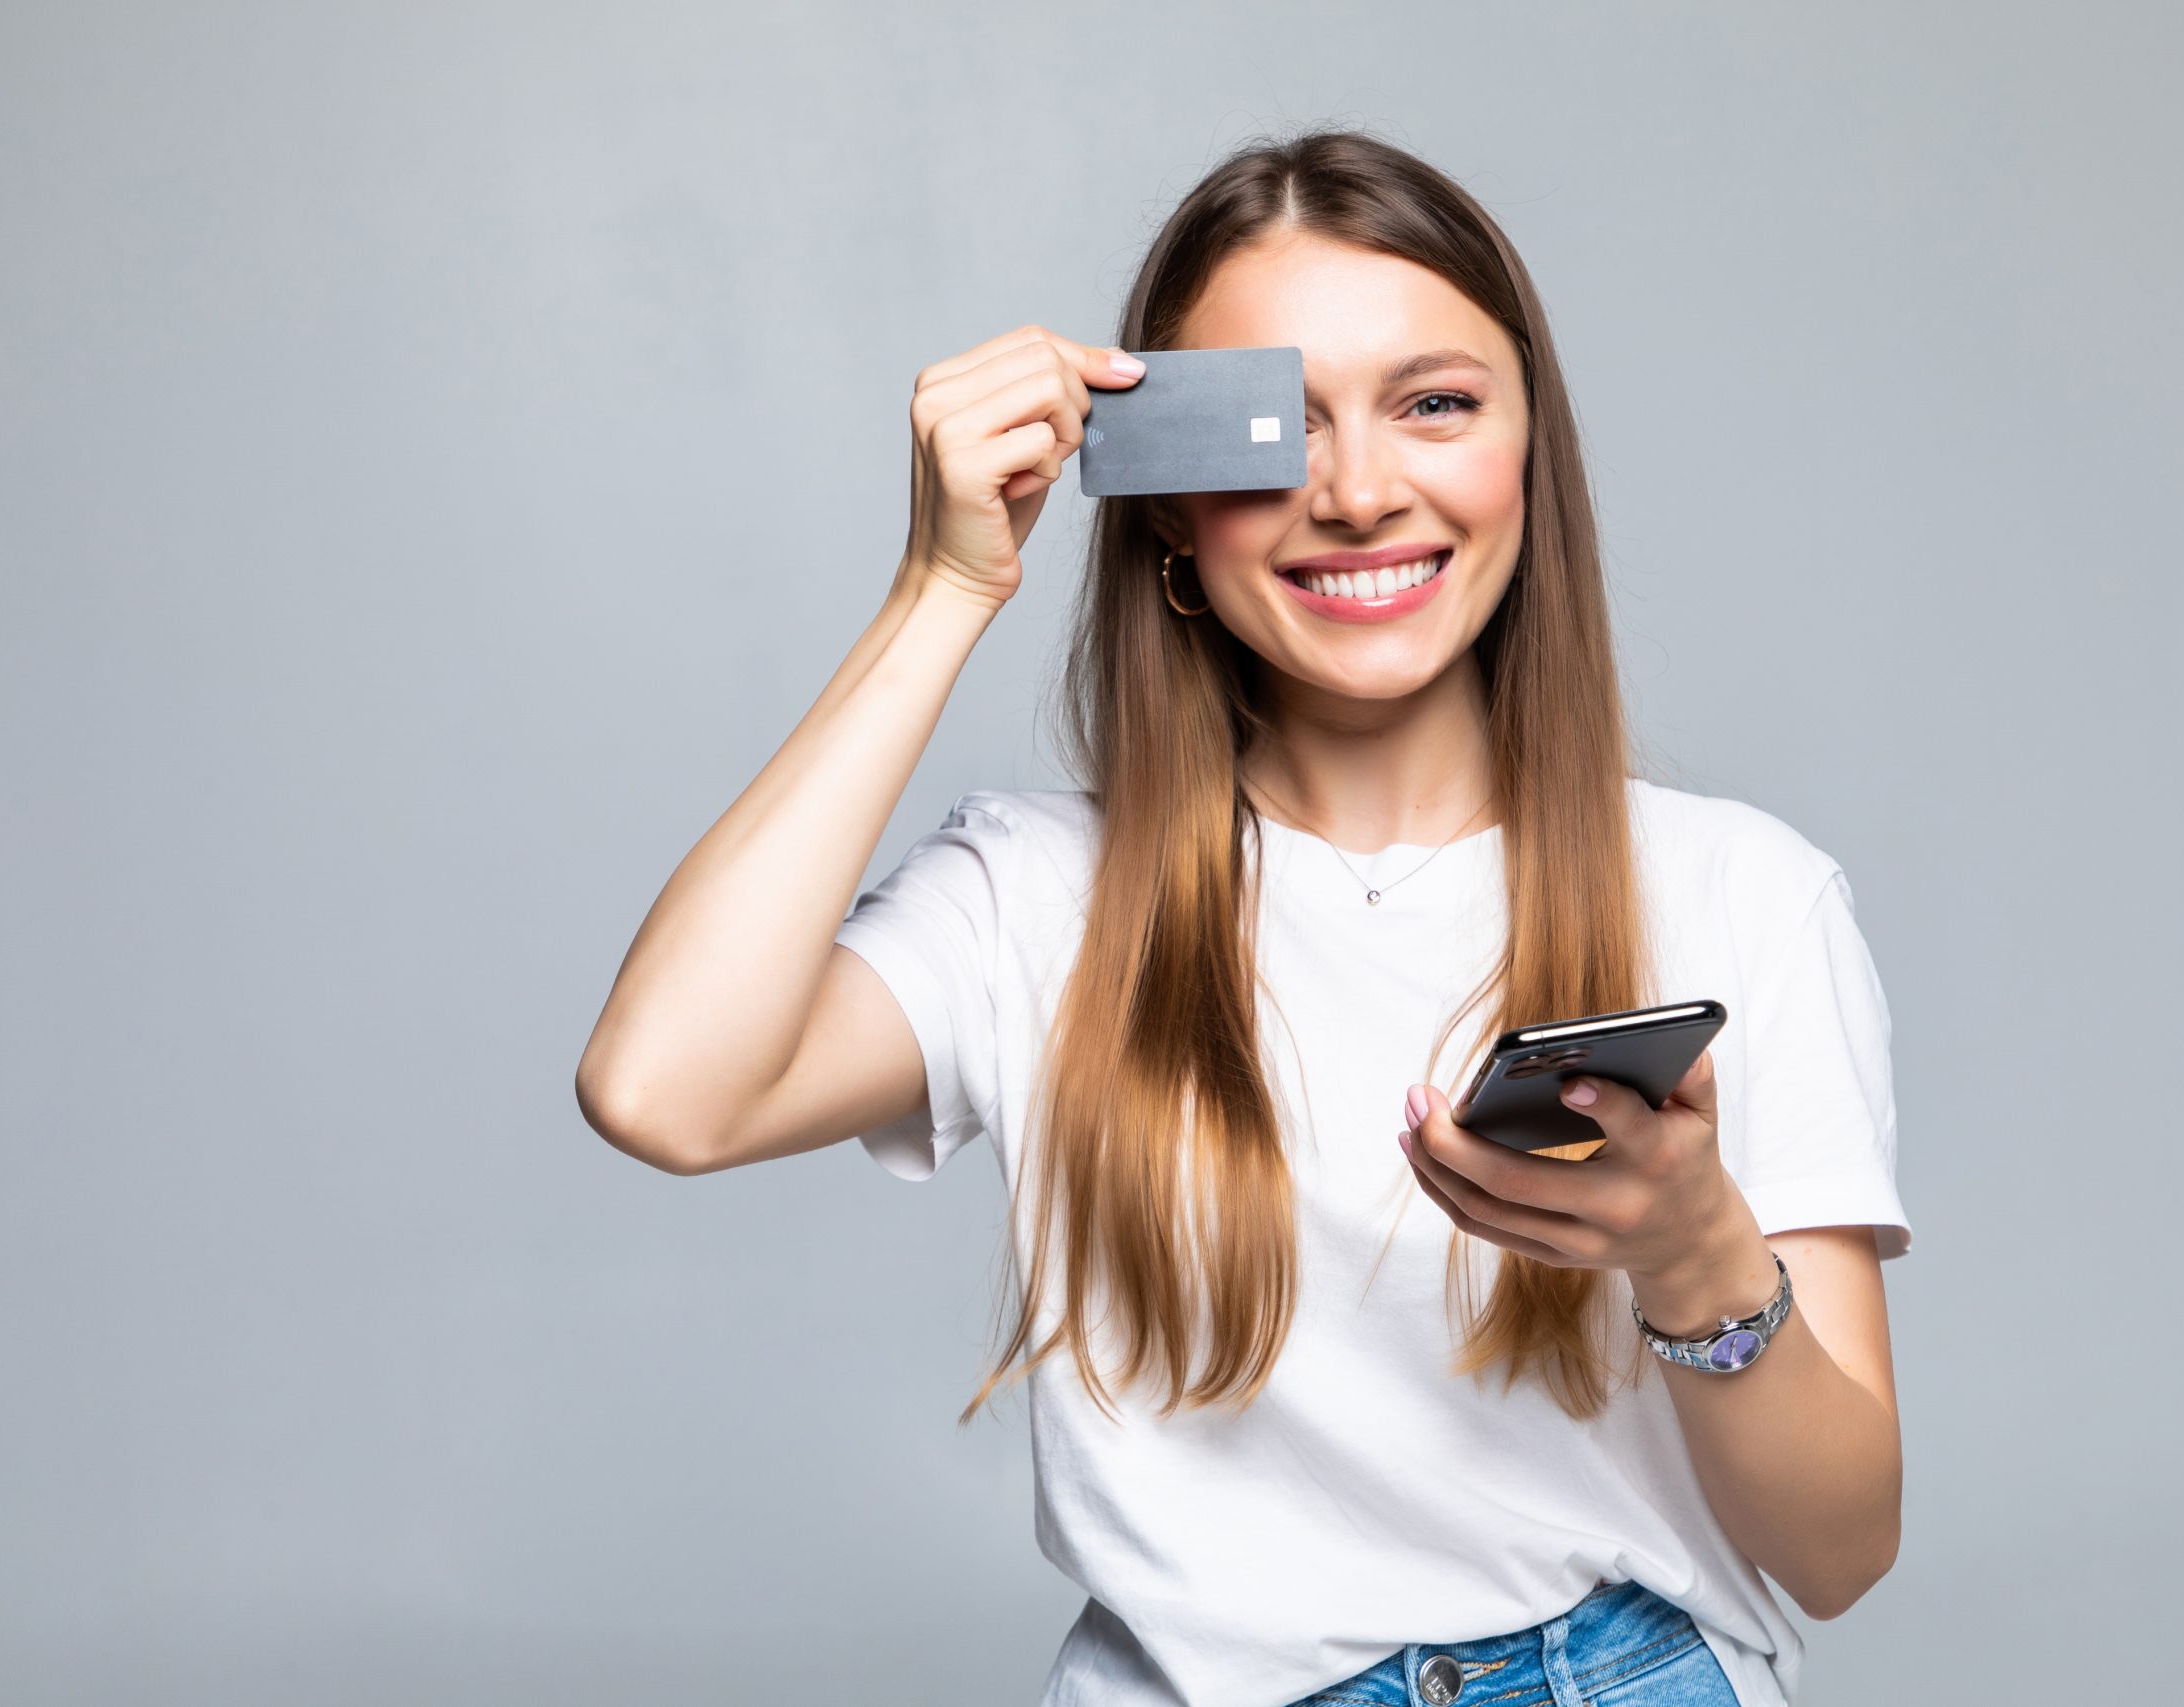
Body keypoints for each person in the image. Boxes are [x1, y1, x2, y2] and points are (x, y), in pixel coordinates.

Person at [575, 128, 1910, 1707]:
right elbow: (662, 1090)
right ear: (1161, 506)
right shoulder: (1033, 897)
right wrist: (941, 587)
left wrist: (1698, 1258)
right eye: (1278, 427)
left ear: (1527, 459)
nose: (1355, 491)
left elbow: (1837, 1554)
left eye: (1435, 405)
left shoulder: (1739, 891)